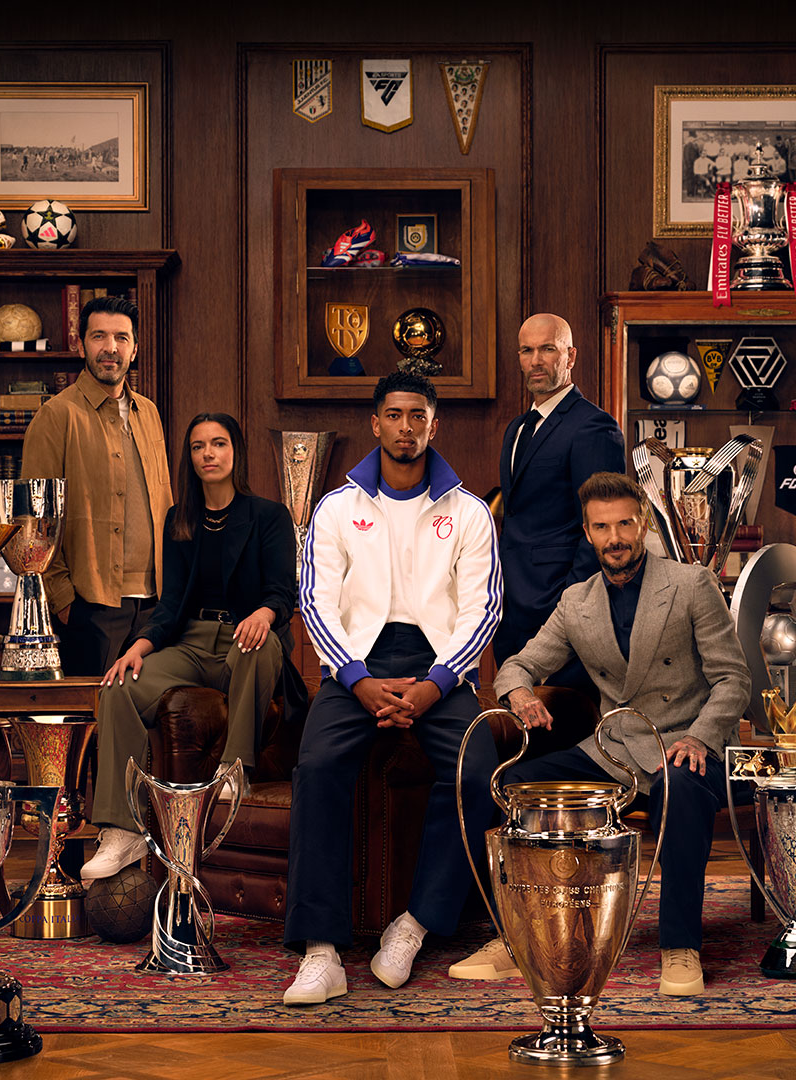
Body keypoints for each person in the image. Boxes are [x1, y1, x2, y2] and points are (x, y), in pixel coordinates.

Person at [453, 471, 750, 996]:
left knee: (679, 789)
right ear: (588, 533)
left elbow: (733, 678)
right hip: (614, 750)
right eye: (601, 527)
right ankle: (516, 938)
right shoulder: (576, 602)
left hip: (688, 743)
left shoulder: (690, 584)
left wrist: (701, 737)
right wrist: (519, 694)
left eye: (625, 524)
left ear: (643, 523)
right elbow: (518, 664)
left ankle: (680, 947)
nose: (614, 538)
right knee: (514, 785)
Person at [281, 371, 502, 1007]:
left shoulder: (467, 511)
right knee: (317, 764)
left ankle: (413, 925)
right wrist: (356, 679)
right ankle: (322, 952)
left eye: (418, 416)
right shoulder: (336, 506)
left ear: (434, 425)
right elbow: (315, 602)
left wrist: (436, 684)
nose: (406, 427)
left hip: (441, 666)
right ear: (375, 424)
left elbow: (481, 610)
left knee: (475, 767)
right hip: (355, 665)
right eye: (394, 415)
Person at [79, 412, 296, 879]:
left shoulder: (269, 516)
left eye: (218, 444)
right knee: (119, 686)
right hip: (192, 642)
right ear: (190, 458)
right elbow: (171, 604)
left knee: (254, 647)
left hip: (251, 639)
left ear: (234, 452)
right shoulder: (178, 521)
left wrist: (264, 613)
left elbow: (282, 592)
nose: (208, 454)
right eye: (198, 447)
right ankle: (123, 829)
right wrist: (138, 645)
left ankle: (233, 772)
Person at [20, 295, 173, 677]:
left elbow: (165, 503)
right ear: (81, 344)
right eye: (99, 336)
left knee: (147, 723)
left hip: (155, 606)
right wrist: (64, 601)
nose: (111, 348)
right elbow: (31, 520)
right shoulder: (55, 416)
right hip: (91, 606)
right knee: (91, 725)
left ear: (134, 348)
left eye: (121, 338)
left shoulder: (150, 414)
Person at [493, 313, 626, 696]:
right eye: (527, 350)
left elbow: (602, 530)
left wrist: (568, 606)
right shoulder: (517, 429)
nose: (536, 360)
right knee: (514, 732)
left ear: (570, 356)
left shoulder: (593, 427)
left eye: (548, 349)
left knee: (558, 732)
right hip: (511, 609)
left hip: (559, 610)